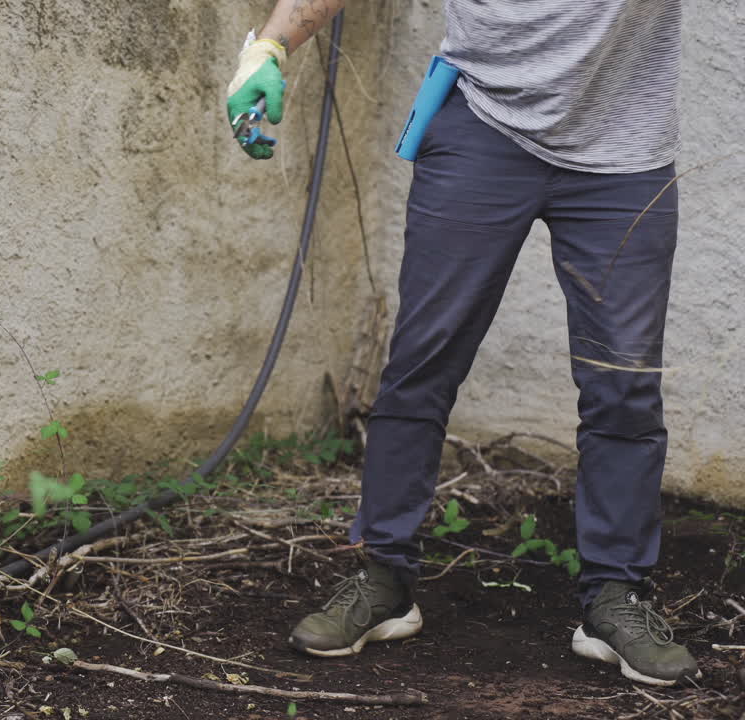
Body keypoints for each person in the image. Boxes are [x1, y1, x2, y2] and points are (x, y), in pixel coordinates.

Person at [226, 0, 700, 686]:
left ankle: (615, 596)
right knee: (423, 360)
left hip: (624, 152)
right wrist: (268, 48)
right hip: (481, 128)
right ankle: (384, 576)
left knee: (622, 380)